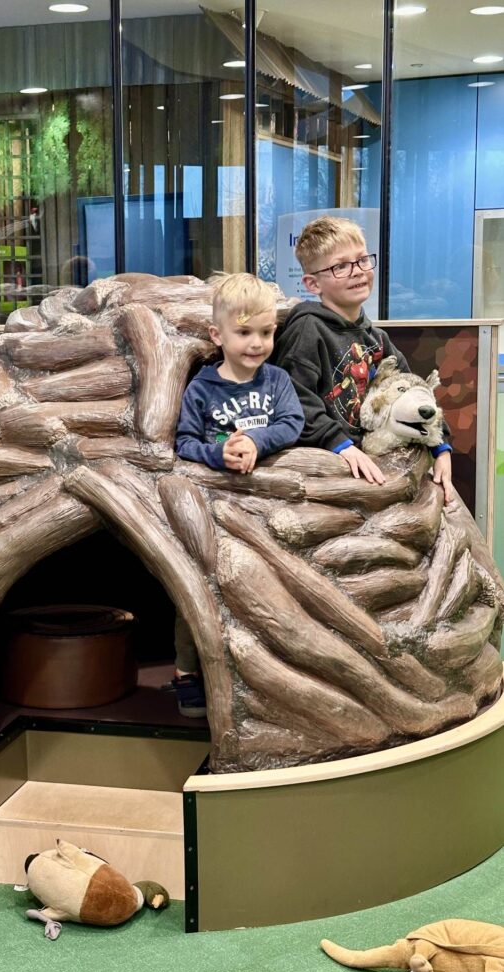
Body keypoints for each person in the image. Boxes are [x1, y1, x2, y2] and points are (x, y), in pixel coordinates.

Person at [172, 273, 305, 717]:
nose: (257, 343)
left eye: (266, 333)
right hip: (214, 509)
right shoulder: (202, 389)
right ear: (218, 335)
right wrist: (218, 452)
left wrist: (256, 441)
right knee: (198, 590)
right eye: (244, 332)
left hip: (264, 512)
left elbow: (291, 424)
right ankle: (188, 673)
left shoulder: (278, 381)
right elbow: (184, 442)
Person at [273, 215, 454, 502]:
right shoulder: (308, 329)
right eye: (340, 266)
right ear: (312, 283)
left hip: (371, 455)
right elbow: (294, 397)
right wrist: (339, 444)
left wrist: (440, 446)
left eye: (362, 260)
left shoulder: (377, 338)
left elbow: (413, 391)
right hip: (328, 462)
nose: (357, 271)